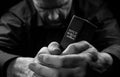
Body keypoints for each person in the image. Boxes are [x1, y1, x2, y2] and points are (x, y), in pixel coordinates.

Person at [0, 0, 120, 77]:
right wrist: (23, 67)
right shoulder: (16, 15)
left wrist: (103, 61)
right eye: (44, 9)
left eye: (62, 6)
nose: (54, 17)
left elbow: (116, 44)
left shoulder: (95, 8)